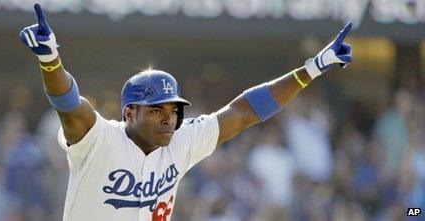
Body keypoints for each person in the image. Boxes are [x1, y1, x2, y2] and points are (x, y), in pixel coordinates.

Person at [19, 3, 352, 221]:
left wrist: (313, 68)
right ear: (129, 113)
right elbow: (70, 105)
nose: (169, 117)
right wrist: (50, 60)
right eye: (156, 110)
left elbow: (245, 111)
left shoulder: (182, 140)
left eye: (174, 109)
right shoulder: (100, 140)